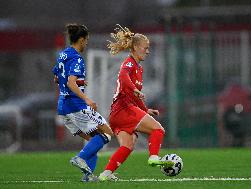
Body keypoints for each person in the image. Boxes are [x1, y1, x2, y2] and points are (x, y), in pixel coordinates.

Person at [98, 25, 173, 181]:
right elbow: (124, 76)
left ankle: (106, 174)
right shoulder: (130, 63)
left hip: (117, 114)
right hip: (124, 110)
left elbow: (135, 97)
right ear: (136, 47)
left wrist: (146, 110)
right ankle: (153, 157)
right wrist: (134, 89)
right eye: (145, 48)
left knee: (128, 145)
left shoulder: (139, 68)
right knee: (158, 129)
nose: (148, 51)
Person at [52, 23, 113, 182]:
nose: (86, 43)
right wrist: (87, 98)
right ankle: (80, 158)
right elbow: (71, 83)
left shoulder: (63, 55)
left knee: (94, 139)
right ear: (80, 40)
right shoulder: (77, 58)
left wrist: (79, 82)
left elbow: (57, 78)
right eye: (86, 40)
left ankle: (88, 176)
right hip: (75, 106)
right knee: (106, 133)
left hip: (63, 107)